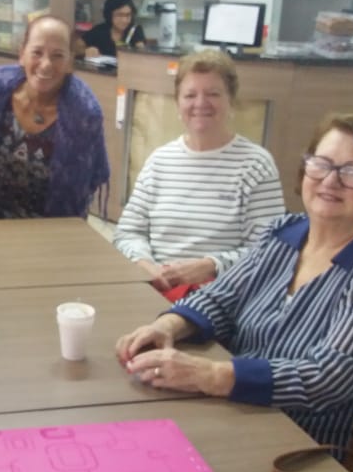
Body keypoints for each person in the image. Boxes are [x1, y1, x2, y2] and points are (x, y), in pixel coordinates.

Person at [115, 113, 353, 455]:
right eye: (321, 164)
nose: (330, 180)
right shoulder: (285, 233)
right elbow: (223, 297)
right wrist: (169, 325)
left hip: (331, 452)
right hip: (253, 419)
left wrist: (210, 375)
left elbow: (328, 378)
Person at [112, 50, 284, 301]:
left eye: (213, 94)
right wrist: (144, 263)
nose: (200, 103)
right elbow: (128, 232)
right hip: (156, 290)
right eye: (190, 95)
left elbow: (270, 250)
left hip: (221, 297)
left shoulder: (256, 165)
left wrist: (210, 265)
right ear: (178, 103)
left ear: (231, 100)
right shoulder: (159, 161)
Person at [0, 15, 109, 218]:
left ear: (70, 62)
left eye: (57, 55)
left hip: (51, 228)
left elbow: (86, 182)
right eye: (37, 53)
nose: (46, 64)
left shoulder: (84, 113)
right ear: (22, 54)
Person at [81, 0, 146, 58]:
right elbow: (76, 46)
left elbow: (141, 53)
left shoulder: (135, 30)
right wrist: (85, 51)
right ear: (109, 14)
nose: (124, 20)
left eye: (128, 15)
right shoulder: (100, 30)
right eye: (119, 15)